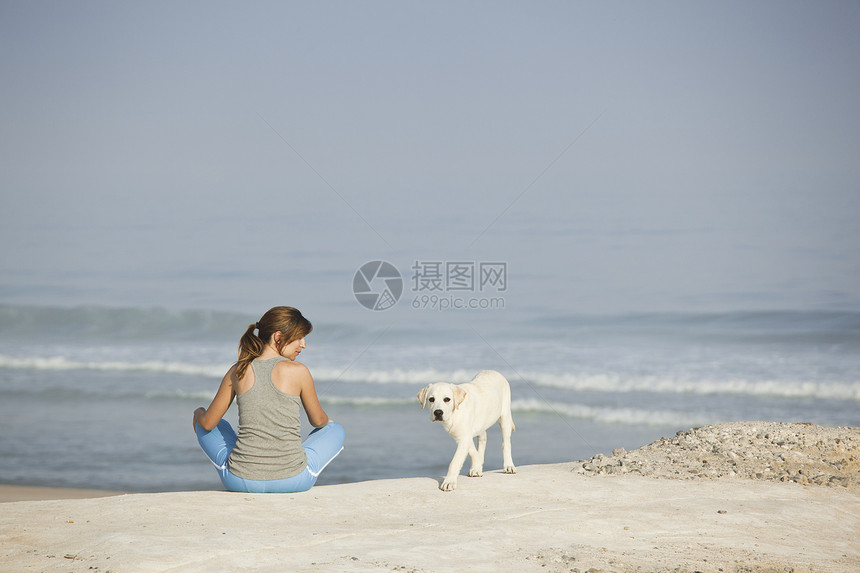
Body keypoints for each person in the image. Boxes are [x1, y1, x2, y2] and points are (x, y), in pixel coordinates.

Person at [193, 306, 345, 493]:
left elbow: (207, 424)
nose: (303, 344)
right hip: (294, 480)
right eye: (299, 338)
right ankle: (290, 460)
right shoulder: (299, 371)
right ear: (278, 337)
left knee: (213, 422)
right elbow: (318, 421)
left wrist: (198, 414)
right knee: (335, 429)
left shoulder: (238, 370)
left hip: (239, 481)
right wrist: (326, 422)